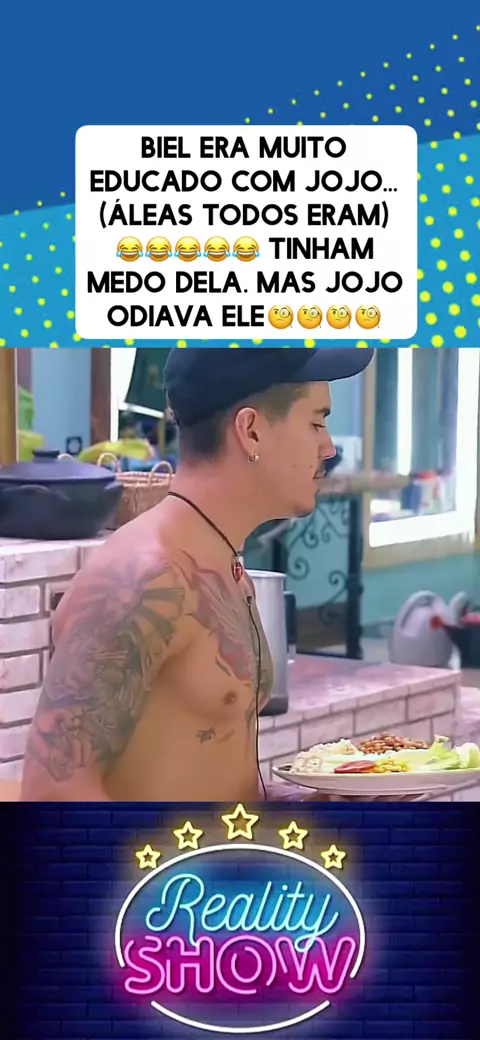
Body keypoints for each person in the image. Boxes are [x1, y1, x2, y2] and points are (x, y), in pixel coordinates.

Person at [21, 347, 374, 803]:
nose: (329, 448)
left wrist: (309, 804)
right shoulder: (147, 577)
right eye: (316, 423)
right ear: (250, 431)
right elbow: (51, 792)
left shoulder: (221, 563)